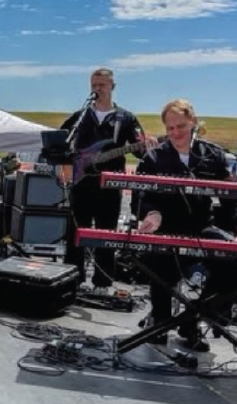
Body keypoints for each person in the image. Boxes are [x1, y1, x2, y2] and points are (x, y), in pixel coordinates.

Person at [135, 99, 237, 351]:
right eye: (170, 128)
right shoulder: (154, 157)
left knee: (233, 260)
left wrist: (233, 231)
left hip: (201, 226)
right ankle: (160, 321)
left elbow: (229, 201)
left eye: (180, 126)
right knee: (159, 264)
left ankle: (195, 318)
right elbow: (141, 195)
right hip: (164, 227)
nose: (175, 133)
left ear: (193, 122)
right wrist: (152, 214)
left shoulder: (213, 155)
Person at [61, 68, 153, 293]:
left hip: (110, 185)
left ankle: (102, 283)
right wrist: (65, 164)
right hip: (82, 181)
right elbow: (60, 142)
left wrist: (147, 146)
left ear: (112, 86)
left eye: (102, 85)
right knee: (76, 231)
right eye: (94, 85)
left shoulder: (126, 117)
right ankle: (73, 277)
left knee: (106, 233)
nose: (97, 89)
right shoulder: (81, 116)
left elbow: (140, 151)